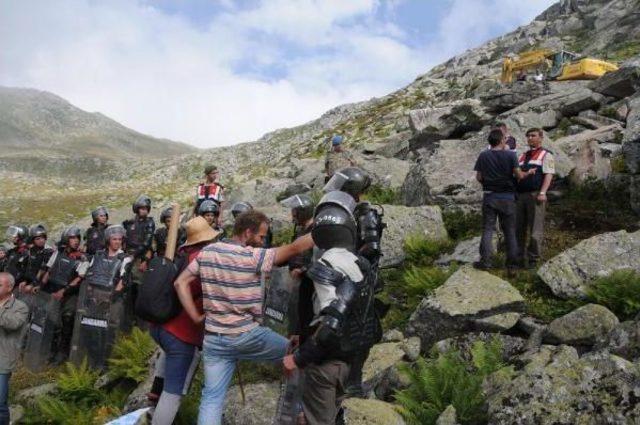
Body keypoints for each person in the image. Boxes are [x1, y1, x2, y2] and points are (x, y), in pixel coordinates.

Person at [173, 210, 314, 425]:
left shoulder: (208, 252)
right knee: (296, 354)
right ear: (247, 233)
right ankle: (301, 414)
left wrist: (195, 316)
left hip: (213, 339)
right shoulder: (252, 256)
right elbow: (295, 248)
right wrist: (326, 228)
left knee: (211, 398)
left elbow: (179, 282)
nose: (263, 241)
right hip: (246, 335)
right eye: (260, 236)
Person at [283, 191, 381, 425]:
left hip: (327, 362)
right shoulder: (361, 263)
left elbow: (331, 321)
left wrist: (298, 358)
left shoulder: (326, 265)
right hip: (355, 358)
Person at [322, 167, 386, 396]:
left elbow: (372, 247)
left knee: (359, 328)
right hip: (345, 274)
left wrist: (352, 260)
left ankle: (354, 384)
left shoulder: (364, 213)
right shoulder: (346, 211)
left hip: (360, 276)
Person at [150, 217, 220, 425]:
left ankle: (154, 397)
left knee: (167, 357)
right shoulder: (204, 259)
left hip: (160, 326)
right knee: (174, 392)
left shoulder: (182, 256)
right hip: (183, 333)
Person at [473, 129, 533, 272]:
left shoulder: (483, 155)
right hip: (508, 198)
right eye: (505, 138)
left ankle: (486, 262)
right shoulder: (511, 155)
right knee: (510, 231)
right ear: (501, 141)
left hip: (490, 197)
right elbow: (519, 175)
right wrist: (528, 173)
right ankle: (512, 266)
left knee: (488, 229)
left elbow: (479, 177)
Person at [40, 226, 87, 364]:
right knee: (51, 320)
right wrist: (42, 286)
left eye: (78, 238)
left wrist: (64, 291)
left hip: (69, 293)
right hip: (52, 290)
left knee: (67, 318)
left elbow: (79, 279)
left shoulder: (83, 258)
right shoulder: (57, 253)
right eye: (73, 238)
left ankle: (63, 352)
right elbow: (48, 271)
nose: (76, 241)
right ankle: (51, 349)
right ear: (66, 239)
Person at [516, 128, 555, 269]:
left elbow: (549, 174)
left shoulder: (546, 154)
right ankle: (518, 259)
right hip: (519, 196)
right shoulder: (522, 156)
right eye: (528, 136)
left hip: (535, 194)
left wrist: (543, 192)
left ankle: (533, 261)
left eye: (533, 135)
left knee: (535, 230)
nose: (530, 138)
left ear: (541, 138)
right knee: (518, 229)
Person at [0, 272, 29, 425]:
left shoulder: (20, 307)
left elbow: (13, 324)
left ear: (10, 287)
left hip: (3, 359)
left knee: (0, 404)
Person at [123, 195, 155, 283]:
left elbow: (146, 243)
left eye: (146, 209)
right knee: (123, 278)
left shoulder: (149, 223)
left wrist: (135, 256)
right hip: (128, 254)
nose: (144, 211)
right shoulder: (130, 223)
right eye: (142, 208)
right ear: (137, 209)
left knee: (137, 281)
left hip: (140, 256)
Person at [17, 224, 54, 295]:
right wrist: (25, 281)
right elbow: (28, 268)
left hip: (41, 285)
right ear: (33, 240)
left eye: (43, 238)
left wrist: (32, 284)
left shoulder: (48, 251)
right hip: (30, 281)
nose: (41, 240)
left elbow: (43, 270)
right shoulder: (32, 250)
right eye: (38, 239)